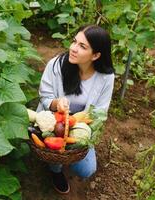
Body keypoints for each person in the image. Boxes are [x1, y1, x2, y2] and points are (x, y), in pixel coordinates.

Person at [36, 24, 115, 194]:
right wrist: (57, 104)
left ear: (96, 55)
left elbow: (100, 111)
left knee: (86, 170)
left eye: (82, 46)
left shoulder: (106, 77)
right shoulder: (56, 65)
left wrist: (80, 129)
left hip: (80, 124)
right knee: (55, 151)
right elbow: (45, 96)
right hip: (53, 120)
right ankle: (55, 170)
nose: (73, 48)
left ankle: (65, 157)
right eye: (74, 41)